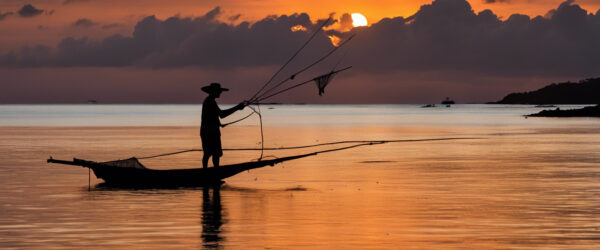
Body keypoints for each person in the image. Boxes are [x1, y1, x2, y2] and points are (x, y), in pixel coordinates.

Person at [200, 82, 246, 168]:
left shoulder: (210, 101)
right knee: (211, 153)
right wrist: (237, 108)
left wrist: (218, 124)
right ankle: (210, 171)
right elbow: (222, 115)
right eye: (218, 91)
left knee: (211, 153)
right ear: (213, 91)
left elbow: (214, 116)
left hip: (209, 131)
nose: (220, 93)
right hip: (210, 132)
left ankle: (208, 171)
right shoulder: (210, 102)